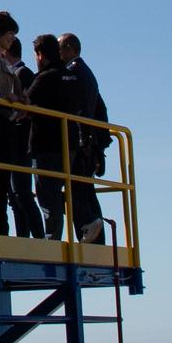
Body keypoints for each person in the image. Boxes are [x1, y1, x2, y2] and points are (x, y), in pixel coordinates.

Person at [0, 12, 41, 236]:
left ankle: (1, 227)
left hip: (7, 121)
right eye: (9, 34)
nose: (11, 39)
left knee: (3, 179)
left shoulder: (2, 59)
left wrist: (21, 99)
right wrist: (7, 98)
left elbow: (13, 87)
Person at [26, 33, 82, 239]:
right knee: (63, 191)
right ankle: (83, 224)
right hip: (70, 144)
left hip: (47, 145)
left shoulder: (45, 77)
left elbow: (24, 105)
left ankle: (52, 239)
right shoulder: (72, 77)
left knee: (48, 196)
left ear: (40, 55)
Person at [59, 32, 106, 242]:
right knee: (86, 190)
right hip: (88, 140)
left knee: (76, 190)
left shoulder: (72, 72)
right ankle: (97, 236)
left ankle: (86, 227)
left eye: (59, 48)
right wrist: (100, 146)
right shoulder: (88, 73)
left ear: (69, 49)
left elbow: (75, 108)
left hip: (78, 140)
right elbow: (100, 109)